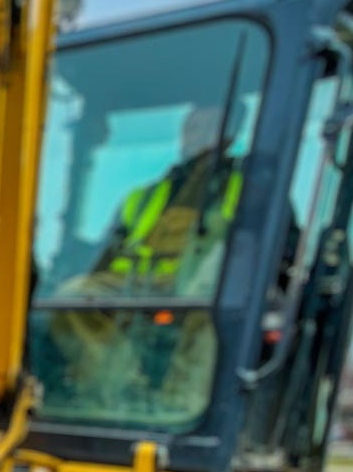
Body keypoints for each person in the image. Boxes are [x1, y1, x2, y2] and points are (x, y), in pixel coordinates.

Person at [44, 103, 242, 425]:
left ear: (230, 135)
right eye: (190, 127)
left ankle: (178, 406)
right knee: (72, 295)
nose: (195, 136)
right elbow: (106, 255)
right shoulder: (147, 195)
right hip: (134, 285)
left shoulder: (249, 192)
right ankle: (124, 392)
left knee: (208, 292)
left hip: (195, 288)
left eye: (207, 127)